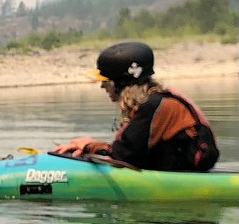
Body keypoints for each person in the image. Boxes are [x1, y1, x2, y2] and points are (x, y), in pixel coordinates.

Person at [52, 41, 219, 171]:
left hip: (182, 176)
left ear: (121, 83)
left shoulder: (153, 105)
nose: (102, 87)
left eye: (105, 82)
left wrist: (87, 145)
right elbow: (129, 150)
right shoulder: (154, 101)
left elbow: (122, 157)